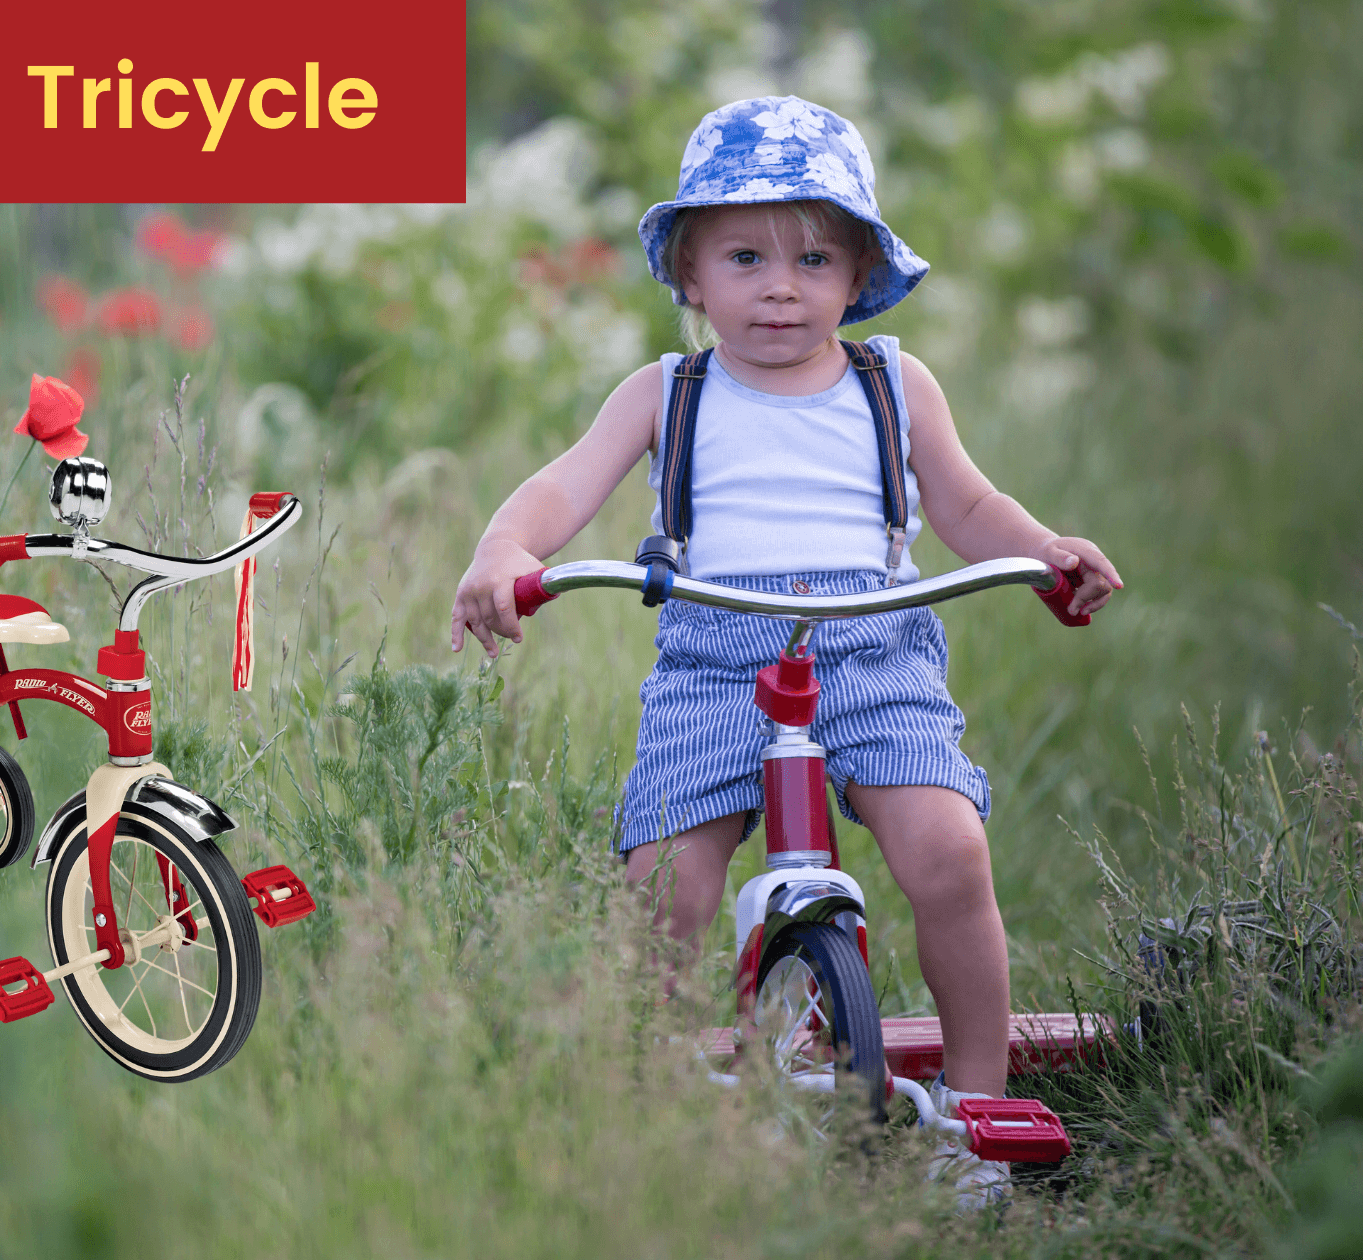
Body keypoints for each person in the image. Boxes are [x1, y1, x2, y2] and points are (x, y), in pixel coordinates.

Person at [449, 96, 1121, 1208]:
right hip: (715, 657)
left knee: (947, 853)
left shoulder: (890, 386)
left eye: (814, 258)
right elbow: (564, 484)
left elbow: (964, 502)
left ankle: (972, 1106)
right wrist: (505, 546)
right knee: (662, 887)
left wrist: (1040, 552)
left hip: (872, 653)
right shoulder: (665, 393)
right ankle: (663, 1097)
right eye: (745, 256)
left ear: (857, 275)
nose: (779, 284)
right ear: (689, 277)